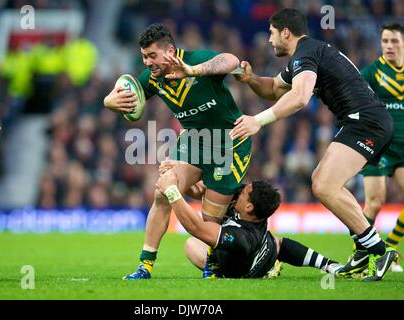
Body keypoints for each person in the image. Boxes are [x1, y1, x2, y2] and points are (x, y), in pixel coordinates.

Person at [230, 8, 397, 281]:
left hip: (366, 122)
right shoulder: (306, 55)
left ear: (286, 32)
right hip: (364, 121)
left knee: (324, 185)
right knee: (325, 183)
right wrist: (249, 79)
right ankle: (363, 251)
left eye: (272, 33)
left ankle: (379, 249)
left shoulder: (306, 53)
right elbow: (273, 88)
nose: (269, 40)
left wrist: (258, 121)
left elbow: (299, 97)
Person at [103, 23, 252, 279]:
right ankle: (145, 266)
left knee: (209, 220)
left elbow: (231, 60)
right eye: (143, 56)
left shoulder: (196, 60)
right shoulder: (153, 78)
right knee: (162, 191)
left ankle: (224, 262)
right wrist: (108, 101)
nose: (147, 62)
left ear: (170, 51)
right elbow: (125, 96)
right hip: (194, 141)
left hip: (229, 143)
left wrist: (193, 71)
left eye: (152, 55)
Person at [155, 166, 342, 279]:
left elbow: (198, 228)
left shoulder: (244, 238)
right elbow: (202, 190)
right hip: (258, 243)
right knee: (276, 241)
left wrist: (172, 191)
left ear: (249, 208)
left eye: (244, 194)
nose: (240, 192)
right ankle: (329, 264)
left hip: (245, 267)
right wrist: (179, 173)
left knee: (192, 244)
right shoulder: (247, 201)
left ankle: (270, 268)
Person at [356, 23, 404, 273]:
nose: (389, 46)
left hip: (403, 150)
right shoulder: (371, 73)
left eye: (394, 41)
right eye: (385, 41)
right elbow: (353, 98)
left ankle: (390, 249)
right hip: (379, 146)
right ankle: (360, 257)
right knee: (375, 202)